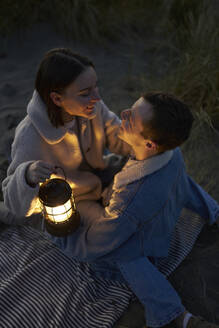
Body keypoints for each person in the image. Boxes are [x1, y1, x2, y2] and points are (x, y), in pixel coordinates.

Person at [46, 92, 219, 328]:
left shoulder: (130, 199)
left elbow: (102, 241)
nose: (123, 114)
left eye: (131, 119)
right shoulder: (172, 153)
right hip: (154, 214)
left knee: (124, 252)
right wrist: (212, 211)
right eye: (131, 108)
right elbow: (186, 186)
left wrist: (64, 236)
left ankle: (173, 315)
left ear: (149, 144)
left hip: (145, 247)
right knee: (181, 181)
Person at [2, 48, 130, 219]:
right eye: (85, 93)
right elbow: (15, 204)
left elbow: (119, 137)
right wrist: (27, 175)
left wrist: (138, 136)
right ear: (57, 99)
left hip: (101, 175)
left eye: (96, 86)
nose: (97, 97)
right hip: (72, 199)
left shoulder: (92, 107)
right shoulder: (29, 137)